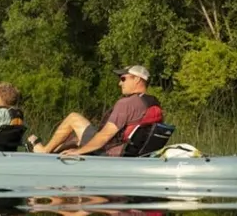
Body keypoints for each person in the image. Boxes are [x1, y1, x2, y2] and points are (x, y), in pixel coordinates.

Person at [27, 65, 162, 157]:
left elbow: (105, 135)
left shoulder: (126, 103)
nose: (120, 83)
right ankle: (54, 153)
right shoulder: (152, 102)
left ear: (137, 79)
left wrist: (79, 152)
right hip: (133, 150)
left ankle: (44, 151)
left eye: (123, 79)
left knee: (73, 118)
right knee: (75, 139)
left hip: (110, 150)